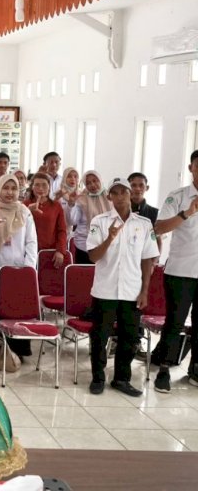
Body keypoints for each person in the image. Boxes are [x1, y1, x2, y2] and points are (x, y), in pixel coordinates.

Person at [87, 178, 158, 397]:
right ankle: (98, 377)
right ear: (109, 196)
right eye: (115, 193)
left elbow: (148, 259)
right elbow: (93, 256)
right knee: (100, 336)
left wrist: (145, 290)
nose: (120, 196)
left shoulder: (144, 224)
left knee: (129, 337)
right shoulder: (99, 221)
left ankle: (121, 379)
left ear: (130, 194)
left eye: (123, 192)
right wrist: (109, 238)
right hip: (105, 289)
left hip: (131, 290)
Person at [152, 150, 198, 392]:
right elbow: (158, 229)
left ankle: (195, 370)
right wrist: (187, 213)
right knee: (175, 322)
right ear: (191, 168)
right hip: (181, 271)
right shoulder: (178, 197)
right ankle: (164, 369)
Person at [0, 174, 38, 357]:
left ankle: (17, 350)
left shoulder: (24, 211)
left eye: (13, 188)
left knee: (16, 311)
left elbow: (31, 241)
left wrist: (28, 268)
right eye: (5, 188)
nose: (9, 192)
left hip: (18, 271)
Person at [25, 173, 68, 268]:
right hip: (27, 252)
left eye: (44, 185)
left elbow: (62, 230)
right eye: (37, 185)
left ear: (49, 187)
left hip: (50, 253)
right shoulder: (24, 205)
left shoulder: (56, 206)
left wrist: (60, 250)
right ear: (32, 187)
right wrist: (27, 211)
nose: (41, 188)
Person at [68, 171, 111, 264]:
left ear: (100, 180)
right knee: (85, 277)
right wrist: (71, 204)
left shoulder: (110, 197)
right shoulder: (81, 198)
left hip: (107, 246)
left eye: (95, 181)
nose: (92, 185)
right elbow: (72, 220)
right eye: (88, 183)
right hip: (84, 246)